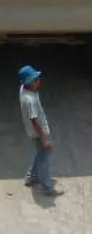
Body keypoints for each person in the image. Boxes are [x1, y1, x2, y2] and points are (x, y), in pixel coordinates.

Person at [17, 65, 62, 197]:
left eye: (37, 78)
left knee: (39, 153)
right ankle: (47, 187)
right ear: (27, 83)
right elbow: (34, 120)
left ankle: (31, 177)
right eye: (34, 80)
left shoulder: (23, 89)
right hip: (38, 132)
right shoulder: (29, 100)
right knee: (45, 159)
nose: (38, 81)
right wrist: (44, 138)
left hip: (32, 132)